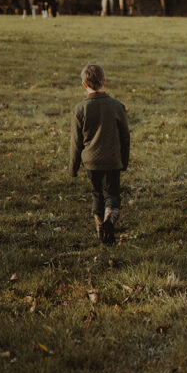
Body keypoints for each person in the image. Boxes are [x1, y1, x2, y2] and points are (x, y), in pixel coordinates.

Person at [69, 63, 130, 245]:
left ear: (83, 84)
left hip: (91, 162)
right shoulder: (117, 106)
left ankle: (100, 231)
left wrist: (73, 168)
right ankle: (109, 222)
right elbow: (125, 138)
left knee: (97, 195)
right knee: (112, 196)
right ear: (104, 81)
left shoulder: (79, 110)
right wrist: (123, 161)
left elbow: (75, 143)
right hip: (112, 160)